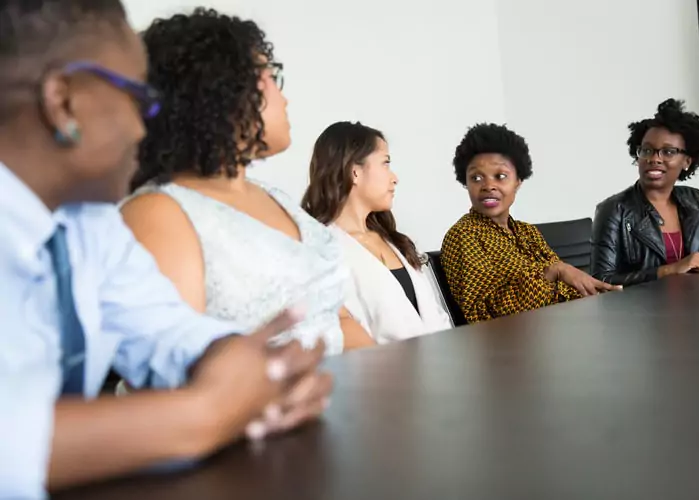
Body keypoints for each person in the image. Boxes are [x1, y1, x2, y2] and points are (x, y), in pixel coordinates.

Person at [0, 2, 331, 498]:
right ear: (62, 103)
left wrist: (257, 372)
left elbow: (169, 332)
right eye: (138, 97)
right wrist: (208, 412)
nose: (145, 127)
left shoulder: (89, 225)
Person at [120, 9, 374, 354]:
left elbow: (337, 320)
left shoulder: (277, 199)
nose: (284, 98)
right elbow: (173, 377)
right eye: (270, 76)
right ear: (220, 89)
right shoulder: (158, 213)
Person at [441, 123, 619, 324]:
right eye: (476, 178)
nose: (488, 186)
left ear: (518, 181)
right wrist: (552, 272)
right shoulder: (464, 236)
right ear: (465, 183)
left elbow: (564, 289)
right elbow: (481, 314)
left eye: (500, 176)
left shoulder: (527, 232)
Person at [301, 121, 453, 343]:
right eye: (385, 163)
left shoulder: (394, 241)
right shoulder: (320, 250)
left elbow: (438, 317)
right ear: (354, 171)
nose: (394, 178)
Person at [590, 99, 699, 286]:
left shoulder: (697, 201)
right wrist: (668, 271)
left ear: (687, 161)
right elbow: (599, 281)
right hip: (644, 313)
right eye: (647, 150)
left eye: (668, 152)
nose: (654, 159)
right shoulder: (614, 210)